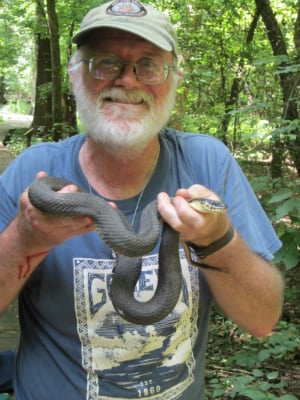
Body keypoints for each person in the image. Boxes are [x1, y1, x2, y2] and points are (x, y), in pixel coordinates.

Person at [0, 1, 284, 399]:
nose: (127, 80)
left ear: (174, 79)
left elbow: (263, 320)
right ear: (76, 76)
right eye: (105, 63)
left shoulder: (206, 162)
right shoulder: (33, 171)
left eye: (148, 65)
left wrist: (219, 241)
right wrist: (24, 240)